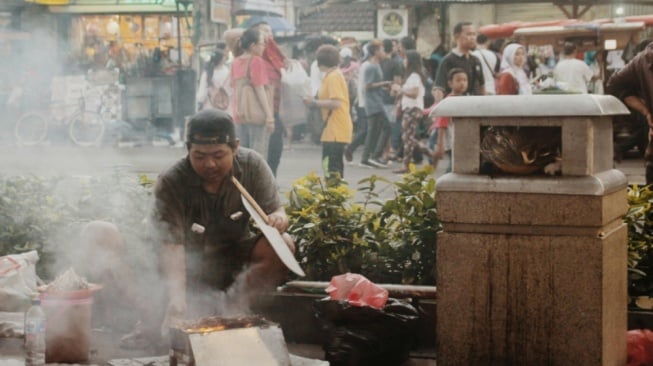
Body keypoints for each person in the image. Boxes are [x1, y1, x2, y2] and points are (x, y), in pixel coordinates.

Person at [153, 108, 295, 321]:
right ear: (188, 149)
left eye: (218, 155)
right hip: (189, 264)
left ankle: (233, 309)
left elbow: (277, 211)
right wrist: (177, 298)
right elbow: (171, 247)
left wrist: (279, 219)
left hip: (233, 259)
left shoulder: (252, 166)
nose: (209, 164)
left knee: (282, 244)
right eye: (199, 156)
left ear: (235, 147)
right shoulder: (172, 181)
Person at [303, 45, 353, 178]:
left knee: (332, 169)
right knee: (331, 167)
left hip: (335, 128)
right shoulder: (332, 75)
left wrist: (314, 103)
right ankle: (334, 195)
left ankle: (334, 196)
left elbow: (336, 102)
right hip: (333, 128)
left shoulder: (333, 77)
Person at [606, 42, 653, 184]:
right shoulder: (643, 60)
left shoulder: (644, 59)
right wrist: (646, 111)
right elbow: (617, 86)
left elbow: (616, 86)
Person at [230, 27, 275, 159]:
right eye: (262, 43)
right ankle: (255, 180)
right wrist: (269, 116)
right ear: (253, 45)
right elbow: (259, 89)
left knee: (241, 156)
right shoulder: (256, 61)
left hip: (239, 114)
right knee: (257, 156)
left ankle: (244, 180)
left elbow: (233, 87)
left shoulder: (235, 62)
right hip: (257, 115)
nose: (264, 46)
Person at [433, 21, 485, 103]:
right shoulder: (448, 60)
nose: (472, 38)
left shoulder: (476, 60)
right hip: (454, 105)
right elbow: (439, 88)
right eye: (468, 34)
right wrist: (438, 108)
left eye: (474, 34)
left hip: (473, 105)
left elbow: (482, 86)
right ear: (457, 37)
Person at [360, 40, 393, 169]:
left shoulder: (376, 65)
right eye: (382, 50)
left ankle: (369, 157)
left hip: (377, 101)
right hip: (373, 103)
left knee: (375, 130)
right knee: (384, 128)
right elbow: (367, 86)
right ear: (375, 51)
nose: (384, 52)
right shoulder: (370, 66)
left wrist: (384, 87)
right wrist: (384, 84)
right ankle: (372, 156)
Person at [391, 50, 425, 174]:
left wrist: (400, 89)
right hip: (410, 109)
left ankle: (407, 164)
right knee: (408, 137)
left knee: (408, 138)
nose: (404, 61)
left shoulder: (414, 76)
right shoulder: (413, 76)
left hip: (412, 109)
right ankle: (427, 152)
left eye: (405, 59)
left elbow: (414, 93)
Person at [428, 68, 468, 172]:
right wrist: (441, 143)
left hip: (455, 136)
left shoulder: (464, 99)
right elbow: (442, 123)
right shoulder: (449, 101)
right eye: (458, 80)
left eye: (464, 80)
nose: (462, 83)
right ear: (450, 83)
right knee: (452, 163)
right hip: (448, 136)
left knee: (454, 162)